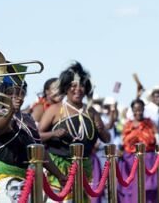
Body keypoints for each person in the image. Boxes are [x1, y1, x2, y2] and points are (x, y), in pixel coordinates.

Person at [38, 62, 110, 202]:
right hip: (59, 168)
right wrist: (53, 134)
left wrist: (101, 129)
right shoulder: (55, 109)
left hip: (84, 166)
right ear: (66, 88)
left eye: (82, 85)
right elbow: (37, 136)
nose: (78, 89)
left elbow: (107, 139)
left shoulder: (91, 111)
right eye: (73, 86)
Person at [0, 79, 66, 202]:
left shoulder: (28, 118)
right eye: (11, 92)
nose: (16, 96)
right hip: (2, 176)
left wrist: (59, 175)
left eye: (21, 92)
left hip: (25, 177)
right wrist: (11, 111)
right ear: (2, 94)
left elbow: (39, 149)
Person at [117, 98, 158, 203]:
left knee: (148, 189)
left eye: (140, 109)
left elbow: (155, 139)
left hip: (147, 160)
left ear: (144, 109)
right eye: (136, 110)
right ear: (132, 110)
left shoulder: (150, 124)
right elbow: (124, 141)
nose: (138, 112)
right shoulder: (128, 125)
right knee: (131, 189)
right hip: (130, 160)